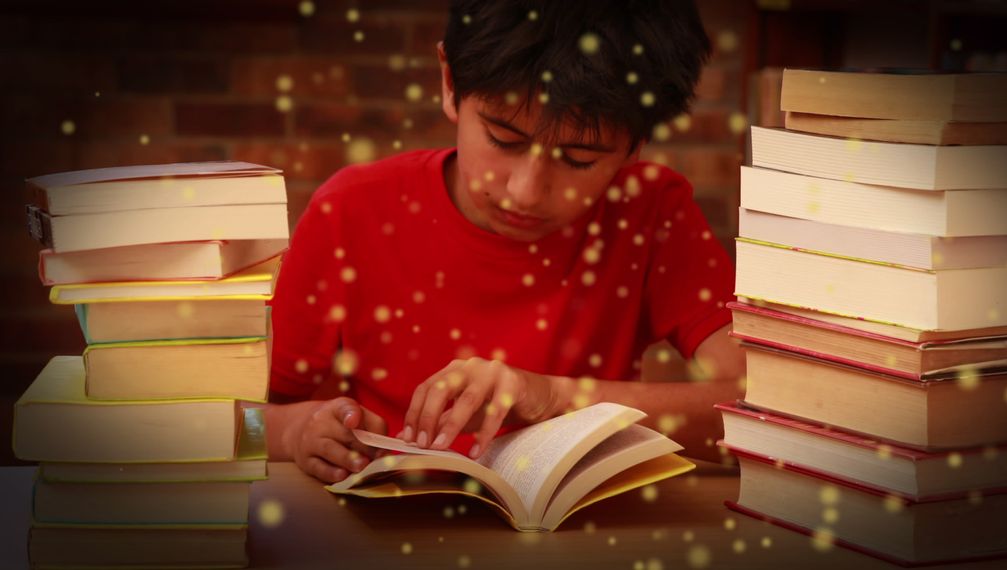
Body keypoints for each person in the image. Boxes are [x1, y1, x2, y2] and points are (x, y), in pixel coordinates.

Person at [263, 0, 745, 484]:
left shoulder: (650, 212)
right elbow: (229, 419)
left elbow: (770, 414)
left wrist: (556, 397)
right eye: (503, 139)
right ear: (450, 83)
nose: (525, 192)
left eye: (578, 160)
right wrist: (296, 431)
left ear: (635, 146)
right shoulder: (351, 211)